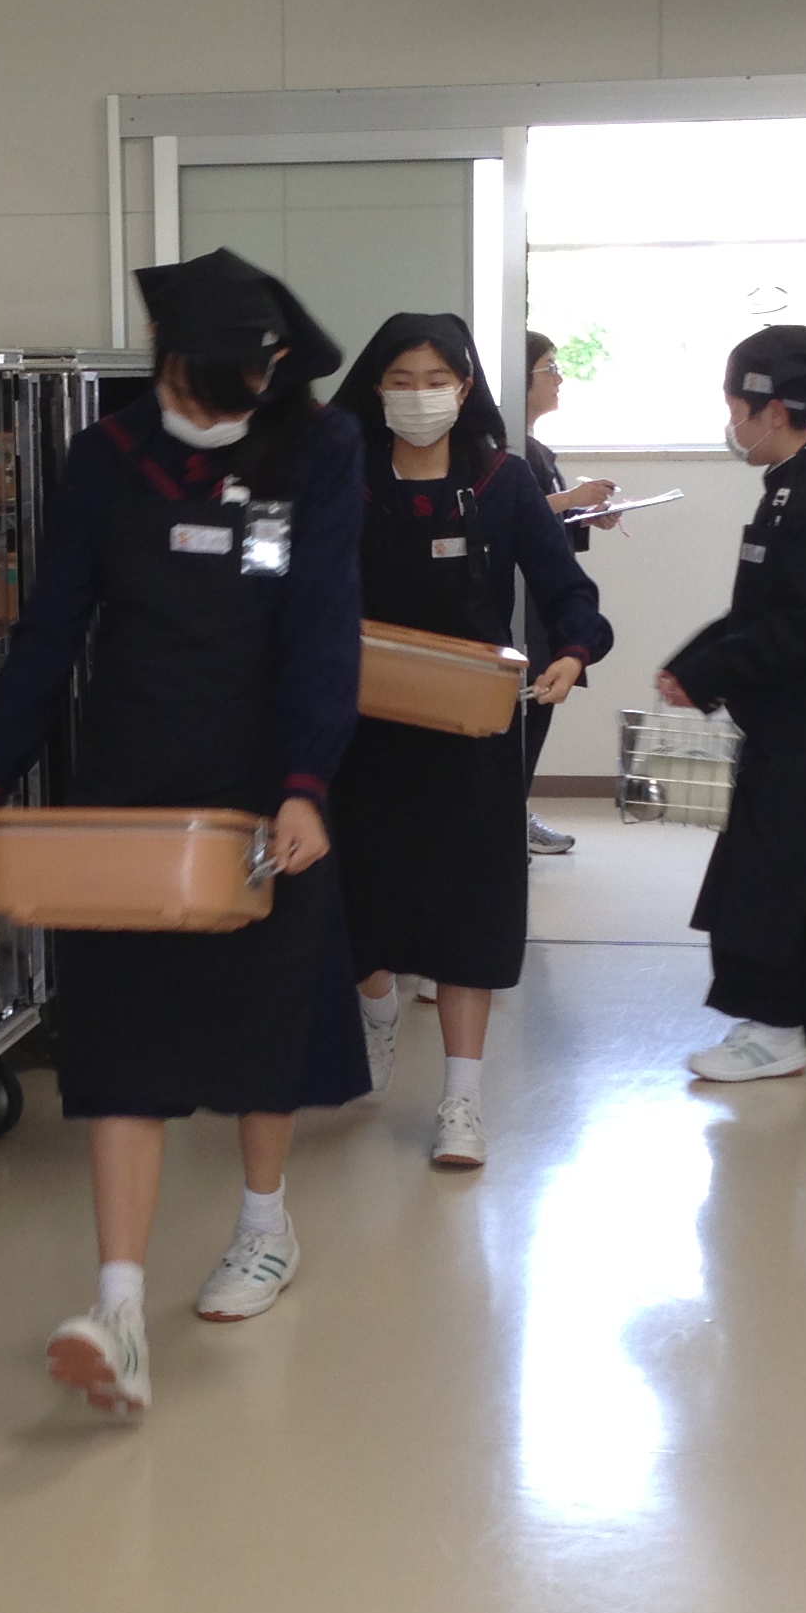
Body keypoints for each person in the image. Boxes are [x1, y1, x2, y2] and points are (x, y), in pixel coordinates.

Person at [0, 248, 367, 1415]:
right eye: (195, 390)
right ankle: (119, 1308)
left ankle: (265, 1227)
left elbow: (324, 624)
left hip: (264, 789)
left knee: (261, 1015)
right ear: (163, 359)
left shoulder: (318, 450)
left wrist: (305, 781)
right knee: (122, 1033)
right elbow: (50, 631)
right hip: (128, 783)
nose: (212, 416)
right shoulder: (109, 457)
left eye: (238, 396)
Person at [328, 317, 612, 1169]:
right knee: (359, 901)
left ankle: (461, 1098)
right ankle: (377, 1011)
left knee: (469, 912)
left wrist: (572, 652)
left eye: (434, 380)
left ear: (464, 388)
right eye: (401, 379)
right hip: (365, 730)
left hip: (472, 731)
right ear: (377, 389)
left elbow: (568, 590)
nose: (418, 396)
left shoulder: (501, 481)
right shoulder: (344, 479)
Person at [654, 325, 806, 1081]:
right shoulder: (787, 491)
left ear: (774, 412)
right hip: (787, 720)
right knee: (775, 874)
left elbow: (796, 629)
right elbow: (756, 612)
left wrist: (710, 673)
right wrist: (694, 663)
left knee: (764, 882)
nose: (732, 426)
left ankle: (775, 1030)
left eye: (735, 411)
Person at [519, 332, 616, 855]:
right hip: (521, 609)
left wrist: (583, 513)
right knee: (525, 714)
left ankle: (515, 812)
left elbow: (545, 527)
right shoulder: (504, 447)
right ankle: (509, 818)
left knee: (539, 711)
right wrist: (570, 499)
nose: (559, 378)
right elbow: (516, 515)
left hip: (547, 603)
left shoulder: (536, 448)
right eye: (548, 368)